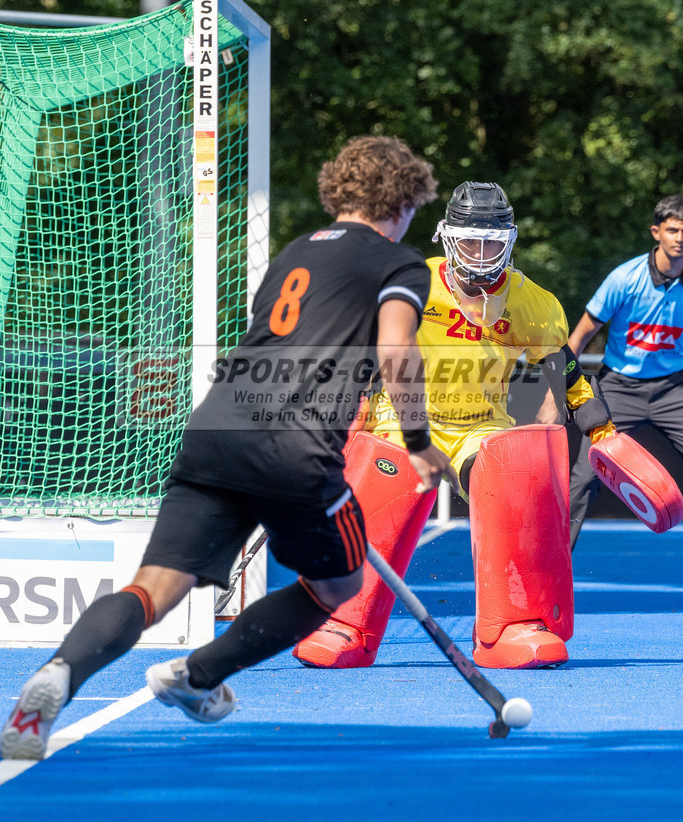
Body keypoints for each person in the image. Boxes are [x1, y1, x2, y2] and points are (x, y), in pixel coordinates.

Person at [1, 134, 456, 761]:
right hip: (296, 449)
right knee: (336, 586)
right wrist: (418, 441)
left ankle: (58, 674)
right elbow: (397, 351)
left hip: (216, 430)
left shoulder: (296, 252)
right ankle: (197, 674)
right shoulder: (398, 263)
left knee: (154, 588)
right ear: (405, 201)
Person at [293, 181, 614, 672]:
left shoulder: (534, 303)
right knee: (375, 494)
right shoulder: (407, 282)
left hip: (480, 425)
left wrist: (601, 430)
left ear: (509, 242)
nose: (482, 256)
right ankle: (346, 623)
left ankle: (511, 626)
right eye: (471, 243)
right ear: (448, 238)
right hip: (404, 420)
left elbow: (564, 371)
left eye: (492, 244)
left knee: (516, 475)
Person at [536, 194, 683, 549]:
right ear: (656, 232)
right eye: (673, 229)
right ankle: (555, 561)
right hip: (619, 387)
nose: (680, 238)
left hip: (673, 390)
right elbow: (579, 337)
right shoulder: (624, 278)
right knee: (586, 477)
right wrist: (553, 396)